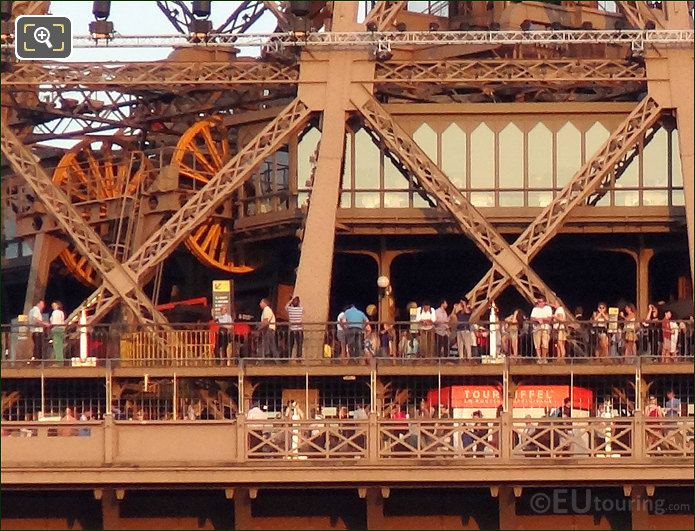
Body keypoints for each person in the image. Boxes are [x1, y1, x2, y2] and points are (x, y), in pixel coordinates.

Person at [530, 295, 553, 362]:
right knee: (537, 344)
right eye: (538, 301)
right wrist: (537, 319)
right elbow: (531, 318)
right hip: (537, 327)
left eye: (540, 301)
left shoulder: (548, 308)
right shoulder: (535, 309)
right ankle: (539, 358)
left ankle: (544, 358)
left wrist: (541, 319)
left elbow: (549, 318)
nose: (539, 303)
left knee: (545, 344)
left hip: (545, 327)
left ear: (544, 302)